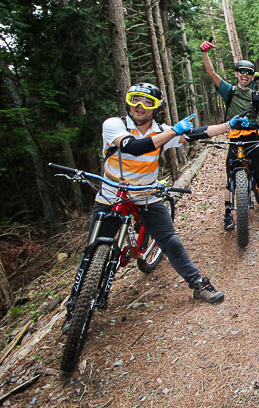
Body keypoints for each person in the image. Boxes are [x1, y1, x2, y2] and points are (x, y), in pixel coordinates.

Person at [70, 82, 236, 317]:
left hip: (146, 195)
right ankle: (74, 308)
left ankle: (198, 283)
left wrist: (228, 125)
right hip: (110, 195)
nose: (140, 106)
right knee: (91, 251)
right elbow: (133, 147)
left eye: (148, 102)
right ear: (128, 101)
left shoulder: (161, 131)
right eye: (135, 99)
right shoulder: (114, 125)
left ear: (156, 107)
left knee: (170, 241)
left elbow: (196, 133)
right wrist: (172, 131)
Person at [200, 40, 259, 227]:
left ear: (251, 76)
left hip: (254, 138)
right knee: (230, 176)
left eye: (248, 73)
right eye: (242, 72)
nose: (245, 75)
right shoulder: (228, 91)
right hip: (234, 138)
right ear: (236, 74)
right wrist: (205, 53)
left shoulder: (256, 96)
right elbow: (211, 73)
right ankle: (227, 214)